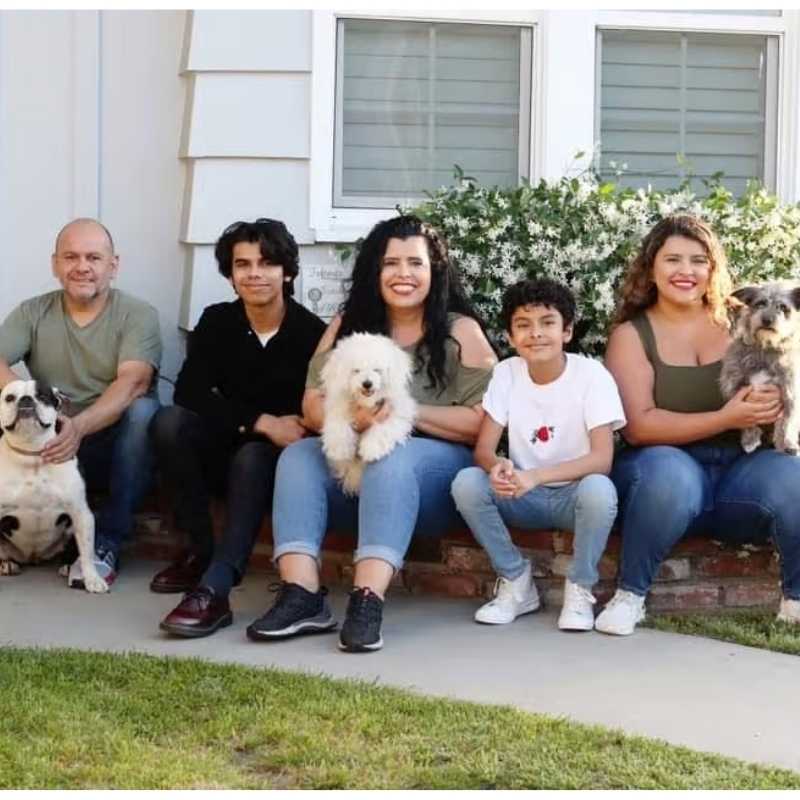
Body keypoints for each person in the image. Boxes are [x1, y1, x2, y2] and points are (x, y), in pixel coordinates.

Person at [246, 214, 497, 652]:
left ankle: (367, 598)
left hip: (433, 479)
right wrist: (358, 421)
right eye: (391, 263)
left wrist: (403, 412)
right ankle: (302, 594)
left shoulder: (462, 332)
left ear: (434, 271)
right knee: (299, 456)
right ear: (373, 271)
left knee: (391, 456)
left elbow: (483, 421)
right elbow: (311, 406)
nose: (403, 274)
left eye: (415, 263)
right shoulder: (347, 327)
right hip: (356, 471)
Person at [597, 214, 800, 635]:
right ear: (651, 267)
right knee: (669, 477)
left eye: (698, 260)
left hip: (740, 472)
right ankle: (630, 595)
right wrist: (727, 417)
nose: (686, 271)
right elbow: (638, 427)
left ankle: (794, 601)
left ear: (713, 269)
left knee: (793, 478)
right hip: (663, 466)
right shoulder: (631, 335)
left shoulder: (745, 318)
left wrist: (779, 401)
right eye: (672, 259)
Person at [151, 218, 326, 638]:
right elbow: (190, 393)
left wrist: (261, 429)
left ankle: (216, 587)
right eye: (242, 264)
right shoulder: (217, 322)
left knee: (252, 455)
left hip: (275, 462)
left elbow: (306, 418)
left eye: (266, 263)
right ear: (230, 275)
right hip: (226, 444)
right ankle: (199, 551)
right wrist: (260, 421)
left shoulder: (311, 333)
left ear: (287, 272)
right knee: (168, 423)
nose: (254, 274)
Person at [451, 279, 625, 631]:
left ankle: (580, 588)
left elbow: (602, 459)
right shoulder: (506, 373)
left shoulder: (592, 375)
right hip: (521, 495)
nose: (536, 334)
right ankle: (516, 581)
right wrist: (498, 466)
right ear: (511, 337)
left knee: (599, 490)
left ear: (567, 331)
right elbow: (483, 449)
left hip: (572, 497)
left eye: (547, 322)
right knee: (468, 483)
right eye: (523, 325)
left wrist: (536, 476)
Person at [0, 218, 161, 586]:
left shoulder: (137, 314)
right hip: (44, 440)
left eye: (94, 257)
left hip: (110, 439)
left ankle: (107, 541)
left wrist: (77, 426)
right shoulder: (32, 312)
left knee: (144, 411)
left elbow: (134, 382)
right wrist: (22, 403)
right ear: (55, 264)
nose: (82, 267)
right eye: (70, 257)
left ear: (113, 265)